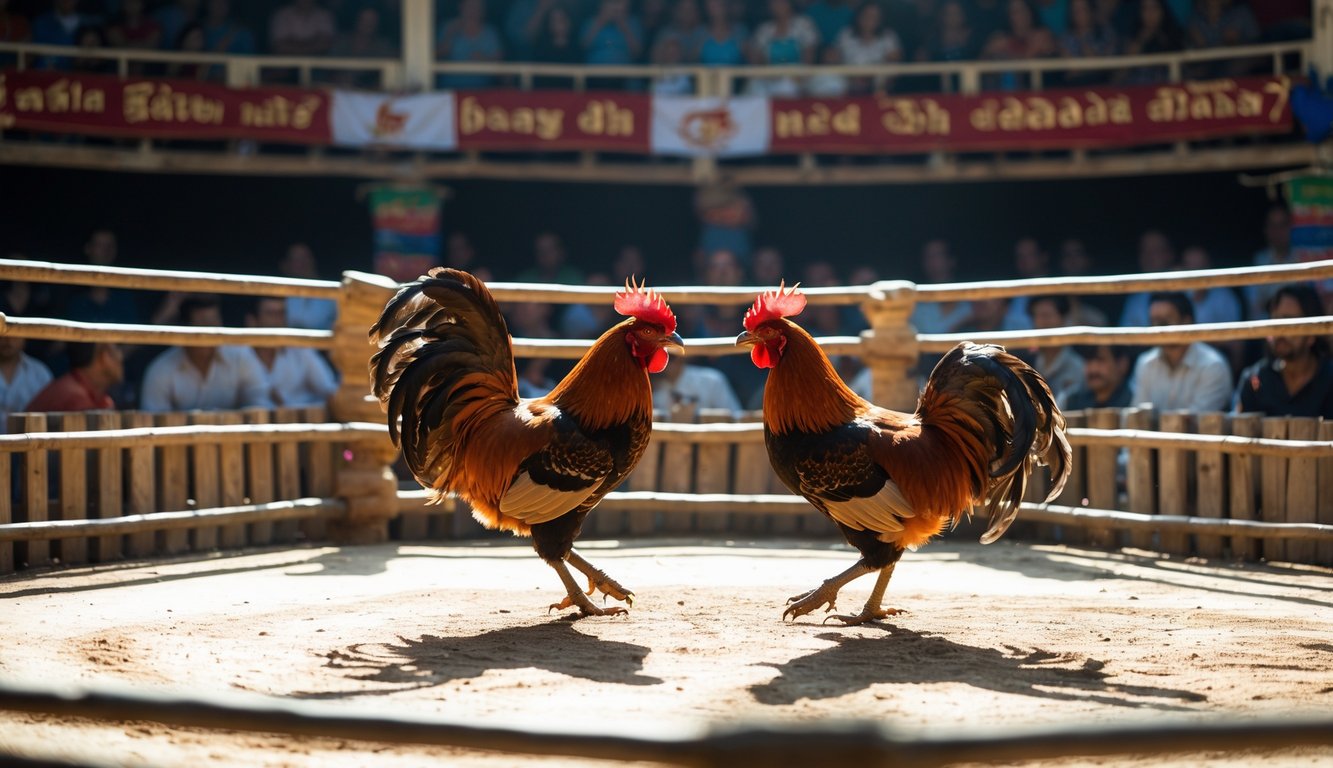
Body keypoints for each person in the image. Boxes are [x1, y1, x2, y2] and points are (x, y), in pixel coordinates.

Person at [139, 294, 272, 412]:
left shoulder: (241, 356)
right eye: (202, 324)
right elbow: (154, 424)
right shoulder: (161, 370)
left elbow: (261, 405)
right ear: (185, 328)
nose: (210, 332)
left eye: (214, 323)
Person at [1234, 284, 1333, 418]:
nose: (1280, 331)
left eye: (1289, 321)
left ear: (1312, 333)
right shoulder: (1255, 379)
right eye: (1275, 321)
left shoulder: (1329, 379)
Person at [1130, 292, 1232, 412]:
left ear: (1186, 322)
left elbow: (1199, 423)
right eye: (1154, 321)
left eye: (1166, 321)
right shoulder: (1145, 363)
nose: (1159, 328)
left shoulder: (1212, 366)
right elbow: (1140, 416)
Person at [246, 297, 338, 408]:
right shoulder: (239, 355)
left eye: (281, 313)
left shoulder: (301, 350)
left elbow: (329, 390)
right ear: (252, 321)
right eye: (270, 314)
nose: (277, 320)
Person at [747, 0, 819, 97]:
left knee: (787, 86)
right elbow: (758, 59)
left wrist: (802, 75)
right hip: (771, 75)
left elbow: (809, 53)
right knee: (753, 86)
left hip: (797, 74)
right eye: (774, 3)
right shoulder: (764, 30)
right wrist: (768, 74)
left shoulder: (804, 24)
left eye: (782, 2)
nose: (778, 6)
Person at [25, 342, 123, 412]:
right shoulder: (75, 398)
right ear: (104, 357)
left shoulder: (93, 395)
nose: (121, 356)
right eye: (116, 349)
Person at [1024, 295, 1084, 401]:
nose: (1041, 323)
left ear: (1063, 320)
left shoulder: (1077, 366)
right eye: (1036, 316)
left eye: (1046, 316)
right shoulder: (1026, 362)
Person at [835, 2, 902, 94]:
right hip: (848, 86)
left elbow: (895, 60)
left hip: (879, 88)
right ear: (858, 16)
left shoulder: (888, 37)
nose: (869, 20)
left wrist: (873, 76)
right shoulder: (846, 35)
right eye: (866, 16)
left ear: (880, 19)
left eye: (874, 17)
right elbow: (835, 59)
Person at [436, 0, 503, 89]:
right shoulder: (448, 28)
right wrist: (449, 36)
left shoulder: (490, 33)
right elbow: (433, 56)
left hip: (482, 91)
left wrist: (484, 59)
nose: (473, 11)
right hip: (450, 90)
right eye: (469, 6)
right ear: (461, 7)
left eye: (477, 7)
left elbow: (500, 63)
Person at [1118, 229, 1176, 328]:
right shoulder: (1135, 300)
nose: (1149, 256)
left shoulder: (1192, 290)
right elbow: (1126, 337)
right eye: (1144, 251)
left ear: (1169, 254)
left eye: (1155, 250)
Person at [1246, 205, 1293, 320]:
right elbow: (1255, 309)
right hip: (1268, 328)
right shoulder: (1259, 261)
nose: (1278, 231)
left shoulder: (1303, 258)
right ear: (1266, 230)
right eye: (1273, 225)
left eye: (1283, 225)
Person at [651, 356, 742, 416]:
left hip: (711, 442)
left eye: (668, 358)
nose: (662, 364)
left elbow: (735, 416)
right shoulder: (656, 388)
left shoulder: (711, 380)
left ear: (680, 358)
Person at [279, 243, 338, 331]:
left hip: (325, 343)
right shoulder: (277, 294)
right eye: (296, 259)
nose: (302, 263)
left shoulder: (333, 291)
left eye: (305, 257)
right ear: (285, 264)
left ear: (313, 260)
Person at [1061, 344, 1134, 410]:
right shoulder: (1070, 401)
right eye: (1088, 360)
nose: (1093, 369)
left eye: (1101, 360)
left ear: (1122, 364)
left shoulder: (1134, 401)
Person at [1001, 236, 1051, 331]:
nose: (1024, 260)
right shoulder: (1010, 290)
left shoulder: (1058, 288)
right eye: (1020, 256)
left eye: (1030, 255)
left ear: (1044, 257)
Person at [0, 336, 53, 414]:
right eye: (3, 336)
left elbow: (50, 409)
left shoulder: (39, 372)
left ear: (24, 338)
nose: (8, 341)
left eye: (15, 336)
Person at [269, 0, 335, 56]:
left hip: (317, 61)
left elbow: (325, 43)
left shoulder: (323, 15)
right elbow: (280, 45)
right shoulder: (282, 15)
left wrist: (294, 44)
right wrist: (311, 45)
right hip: (287, 62)